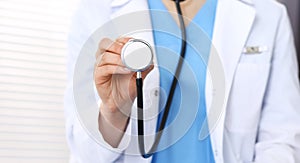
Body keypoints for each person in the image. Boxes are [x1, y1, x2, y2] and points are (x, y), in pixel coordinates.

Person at [64, 0, 300, 162]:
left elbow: (281, 138)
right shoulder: (94, 12)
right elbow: (85, 153)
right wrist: (114, 111)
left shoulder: (270, 14)